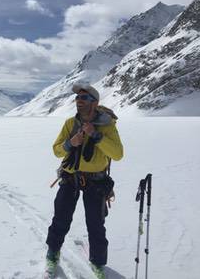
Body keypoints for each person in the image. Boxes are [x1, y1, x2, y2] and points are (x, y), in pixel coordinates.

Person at [45, 83, 123, 279]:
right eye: (77, 98)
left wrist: (96, 136)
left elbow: (118, 154)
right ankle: (52, 253)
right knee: (60, 219)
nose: (79, 101)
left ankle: (98, 262)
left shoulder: (107, 126)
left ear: (95, 103)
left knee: (96, 224)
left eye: (84, 98)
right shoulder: (70, 124)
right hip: (70, 177)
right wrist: (70, 143)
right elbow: (56, 150)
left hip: (96, 181)